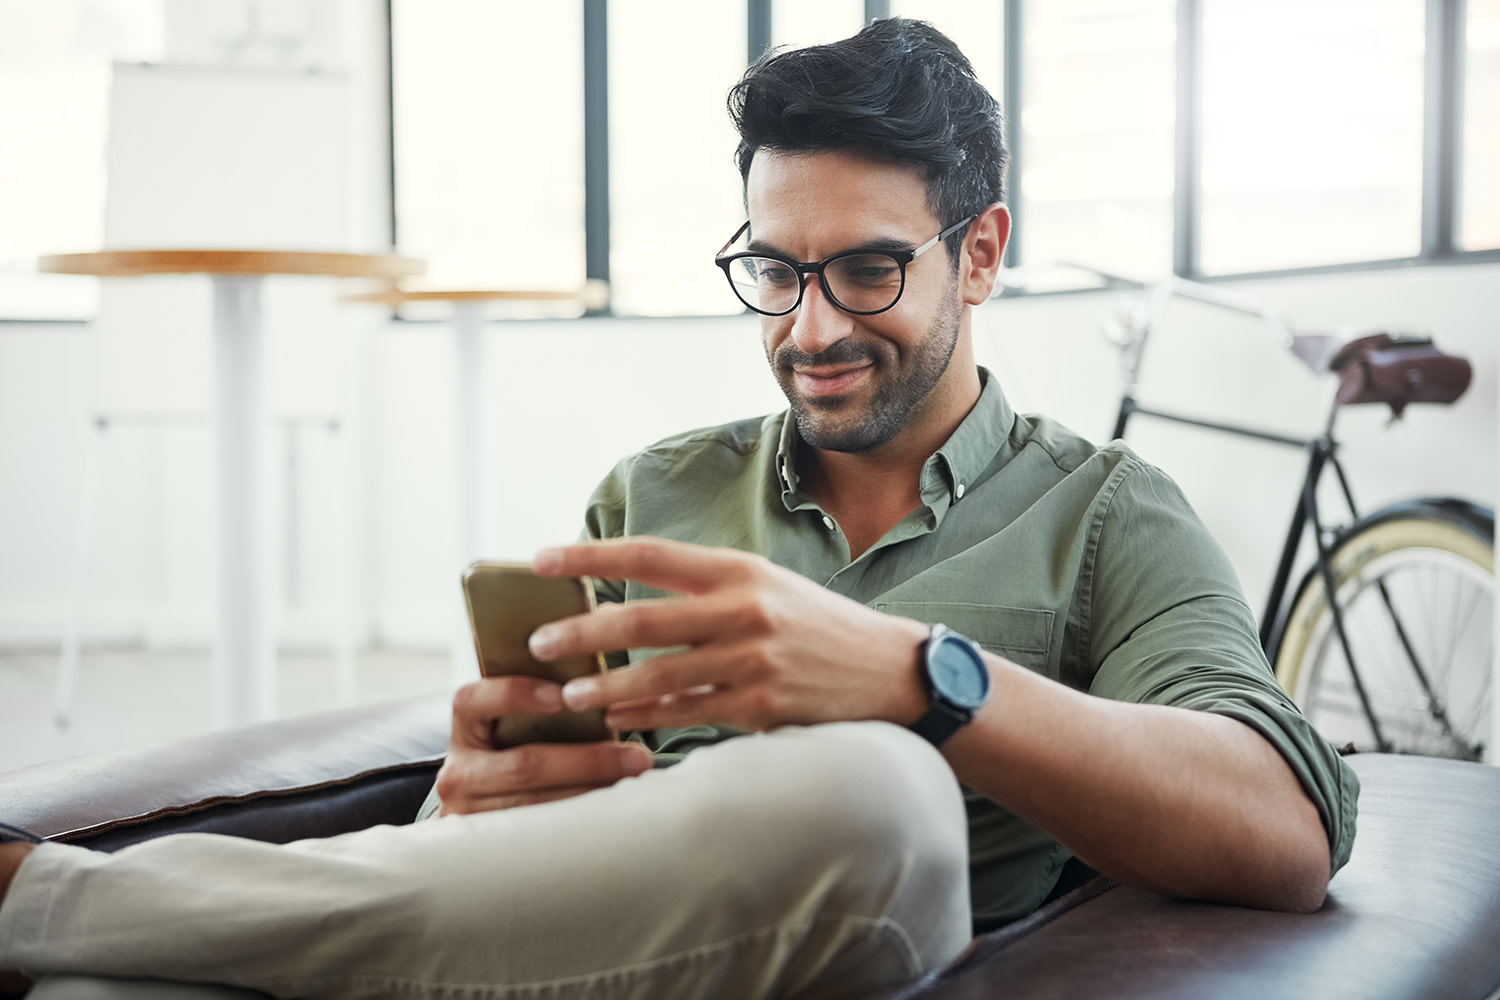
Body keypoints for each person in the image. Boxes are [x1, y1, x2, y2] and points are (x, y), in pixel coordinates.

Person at [0, 17, 1355, 1000]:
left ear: (981, 252)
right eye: (773, 270)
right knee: (109, 993)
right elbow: (490, 854)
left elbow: (1282, 826)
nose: (810, 326)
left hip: (859, 935)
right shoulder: (655, 492)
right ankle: (74, 930)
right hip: (601, 957)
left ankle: (44, 896)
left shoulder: (1107, 512)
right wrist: (478, 800)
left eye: (869, 271)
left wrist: (916, 681)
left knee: (871, 784)